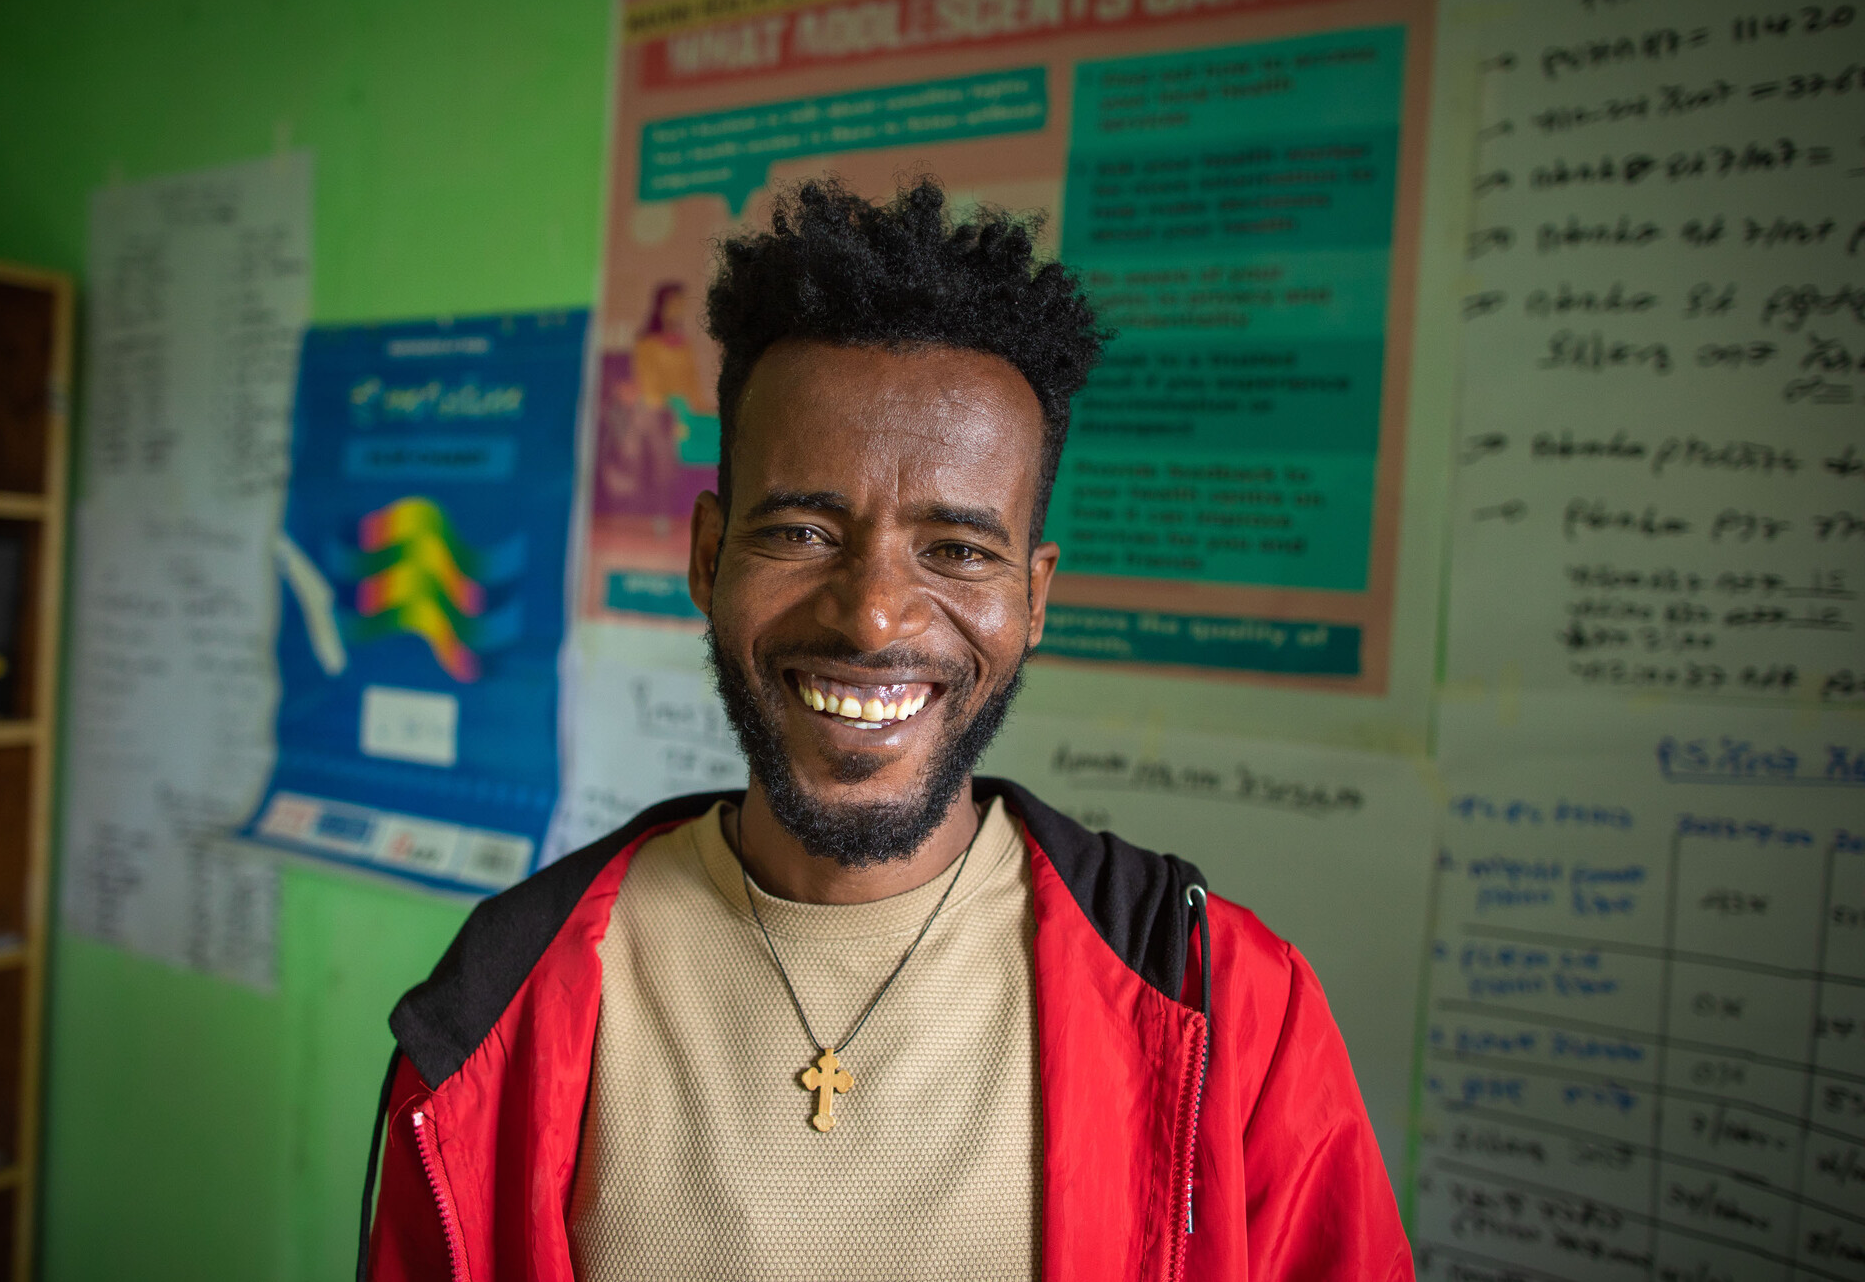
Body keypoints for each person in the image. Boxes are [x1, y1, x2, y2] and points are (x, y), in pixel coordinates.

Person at [359, 177, 1413, 1282]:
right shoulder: (500, 1005)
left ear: (1033, 595)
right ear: (707, 558)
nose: (870, 614)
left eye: (956, 550)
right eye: (804, 530)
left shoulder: (1228, 1006)